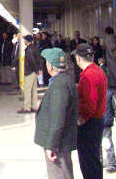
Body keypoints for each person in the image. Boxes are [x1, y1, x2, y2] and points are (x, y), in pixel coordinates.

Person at [34, 48, 78, 179]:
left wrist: (51, 145)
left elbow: (58, 118)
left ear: (51, 66)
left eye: (47, 62)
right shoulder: (65, 80)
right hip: (61, 142)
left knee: (59, 174)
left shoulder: (60, 86)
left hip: (59, 145)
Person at [72, 43, 107, 179]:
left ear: (79, 59)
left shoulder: (87, 76)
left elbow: (89, 104)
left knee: (87, 163)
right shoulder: (99, 71)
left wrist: (81, 120)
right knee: (94, 160)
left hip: (89, 124)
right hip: (98, 121)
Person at [98, 58, 116, 173]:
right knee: (100, 143)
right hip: (99, 120)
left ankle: (111, 163)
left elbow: (114, 106)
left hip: (105, 120)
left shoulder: (108, 91)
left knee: (106, 142)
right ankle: (100, 161)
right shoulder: (99, 90)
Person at [17, 35, 42, 114]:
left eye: (25, 40)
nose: (24, 41)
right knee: (34, 90)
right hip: (34, 72)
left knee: (27, 90)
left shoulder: (29, 49)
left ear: (27, 41)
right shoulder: (34, 48)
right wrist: (38, 70)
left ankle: (27, 108)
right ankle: (34, 106)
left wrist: (36, 70)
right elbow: (38, 59)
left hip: (30, 72)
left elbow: (32, 61)